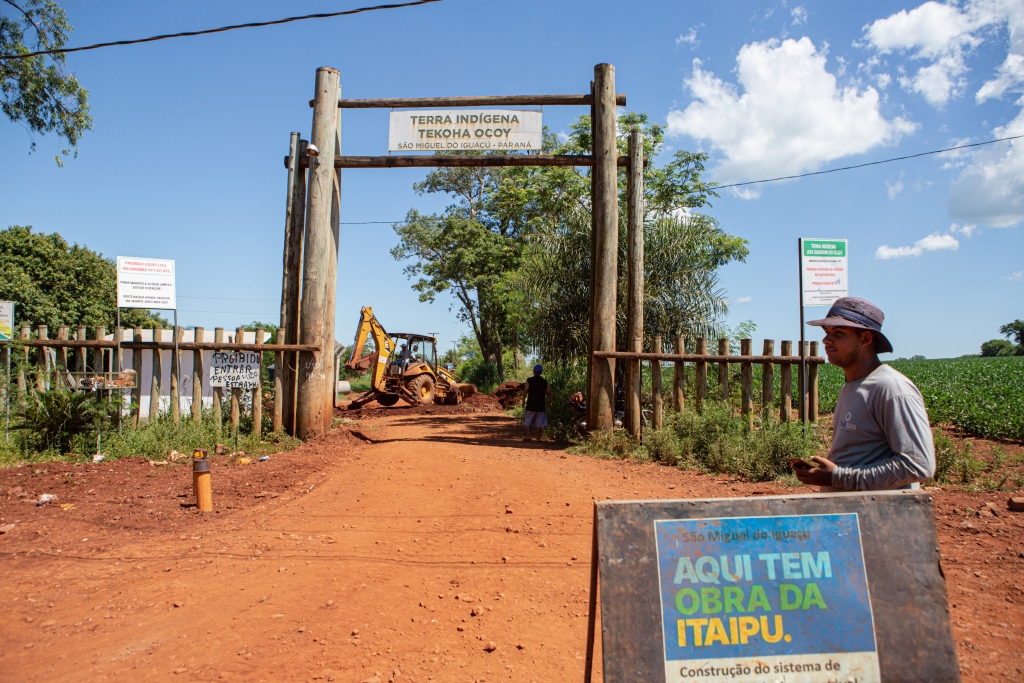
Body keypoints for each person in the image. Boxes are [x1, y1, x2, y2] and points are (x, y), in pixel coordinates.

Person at [793, 297, 935, 491]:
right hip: (854, 515)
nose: (826, 340)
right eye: (827, 332)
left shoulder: (892, 388)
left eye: (838, 333)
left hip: (880, 517)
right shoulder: (852, 386)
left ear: (866, 339)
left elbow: (918, 465)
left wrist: (838, 477)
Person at [522, 364, 552, 442]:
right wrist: (550, 401)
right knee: (539, 422)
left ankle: (528, 436)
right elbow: (548, 392)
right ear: (541, 372)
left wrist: (523, 401)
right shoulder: (544, 382)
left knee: (528, 420)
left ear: (534, 371)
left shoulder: (529, 380)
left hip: (531, 404)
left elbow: (525, 390)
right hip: (540, 405)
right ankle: (538, 438)